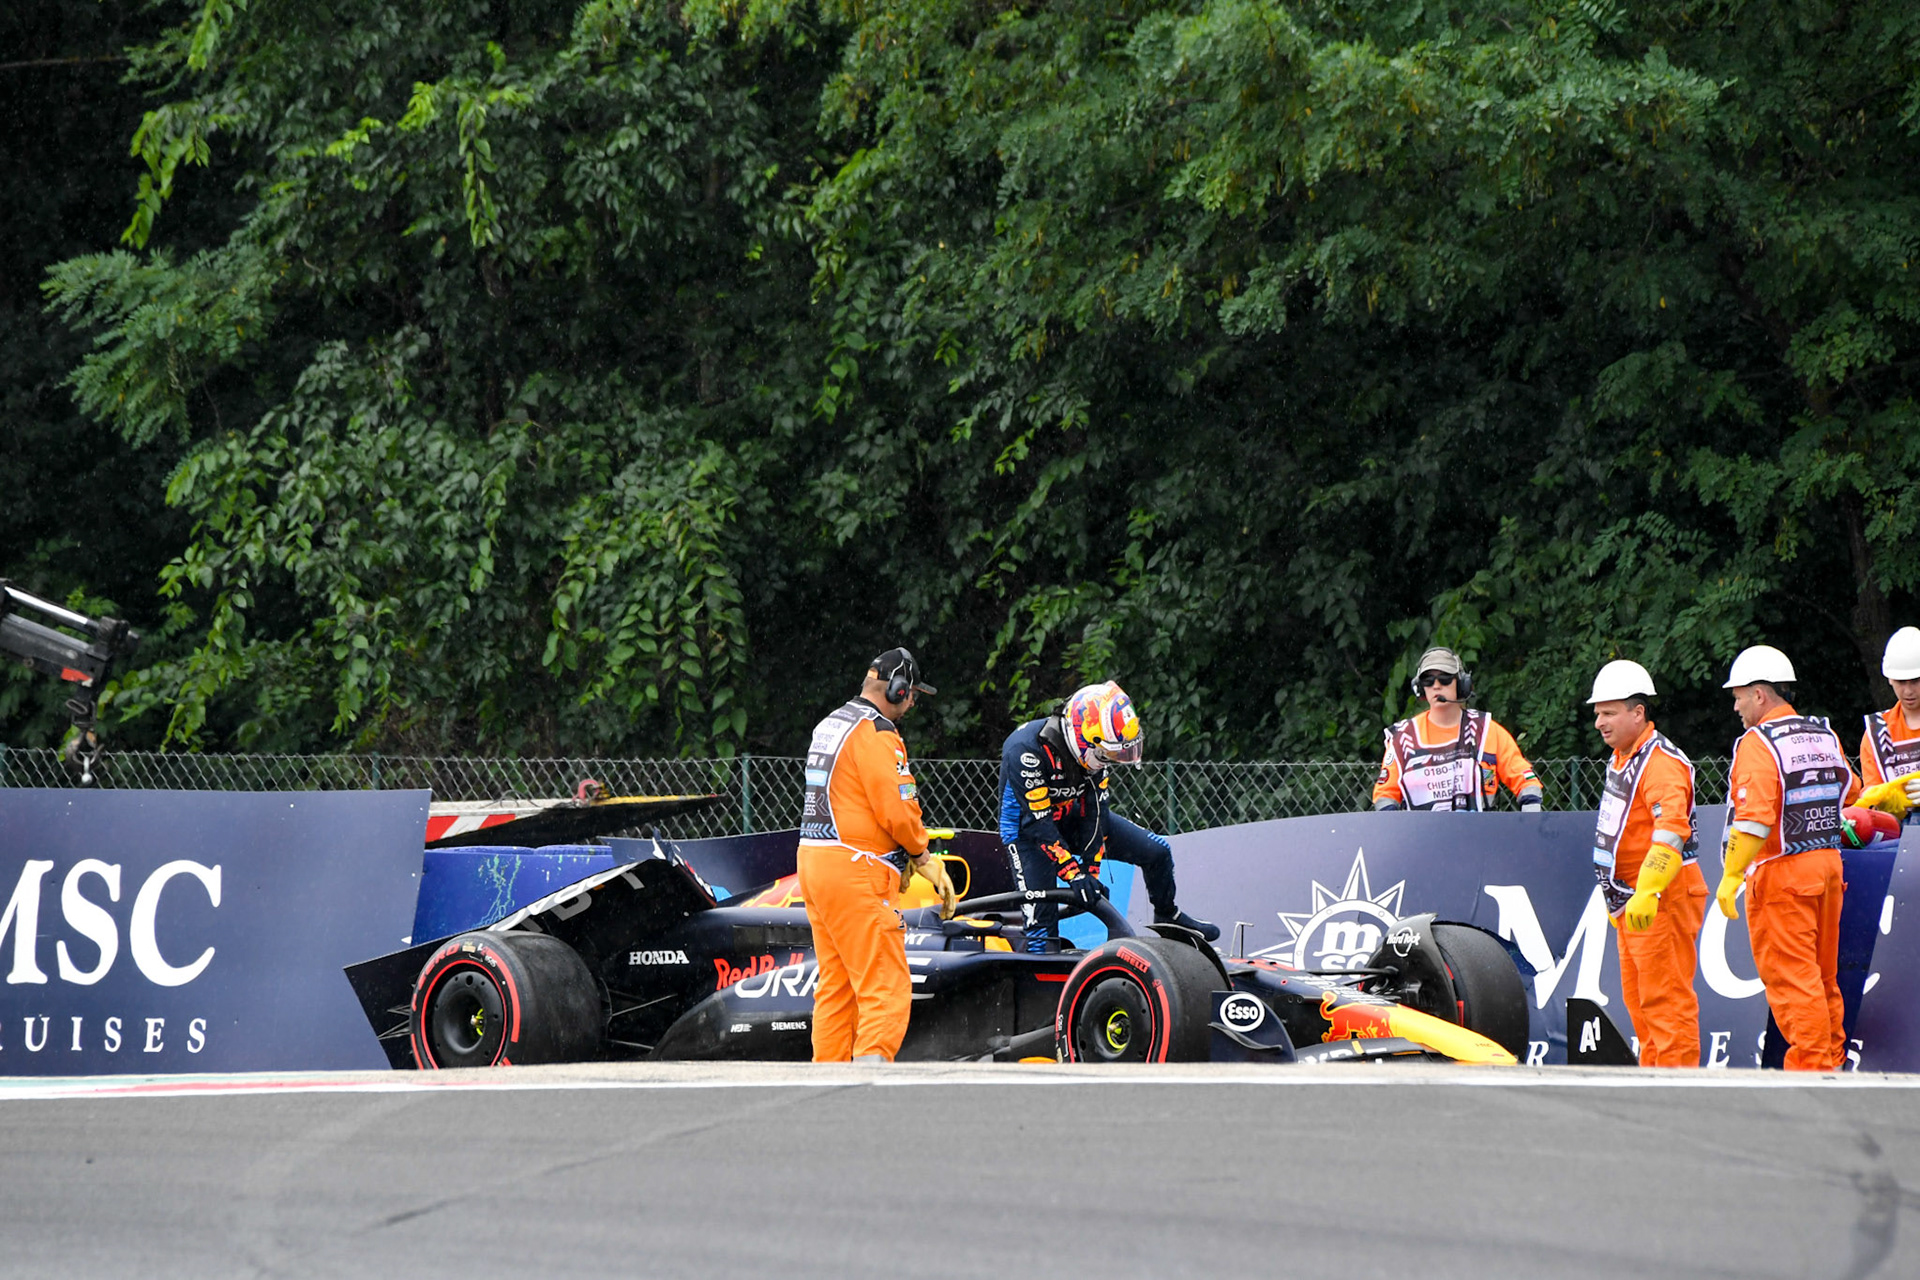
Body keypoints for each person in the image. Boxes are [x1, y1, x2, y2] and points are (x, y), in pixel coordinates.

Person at [796, 648, 956, 1064]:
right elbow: (895, 806)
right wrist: (922, 855)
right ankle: (868, 1087)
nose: (914, 703)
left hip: (815, 863)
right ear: (898, 688)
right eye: (913, 693)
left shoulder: (831, 723)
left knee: (837, 986)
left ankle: (825, 1085)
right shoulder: (877, 731)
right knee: (885, 986)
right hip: (856, 870)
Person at [1716, 644, 1860, 1072]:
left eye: (1739, 696)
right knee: (1822, 978)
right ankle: (1830, 1065)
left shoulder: (1758, 742)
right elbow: (1850, 793)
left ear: (1760, 694)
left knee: (1794, 981)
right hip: (1828, 865)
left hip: (1781, 875)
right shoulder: (1822, 734)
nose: (1737, 707)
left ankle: (1812, 1076)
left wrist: (1731, 875)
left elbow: (1756, 821)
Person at [998, 680, 1218, 951]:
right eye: (1107, 754)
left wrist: (1091, 869)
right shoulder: (1026, 751)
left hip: (1071, 817)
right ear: (1083, 739)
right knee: (1042, 937)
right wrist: (1074, 875)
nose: (1110, 760)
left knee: (1158, 852)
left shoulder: (1094, 750)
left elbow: (1096, 812)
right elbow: (1038, 824)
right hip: (1027, 832)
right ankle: (1037, 977)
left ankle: (1167, 916)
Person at [1587, 660, 1707, 1067]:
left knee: (1666, 1002)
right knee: (1640, 1002)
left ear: (1638, 713)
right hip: (1633, 898)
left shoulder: (1660, 762)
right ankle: (1655, 1083)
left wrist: (1648, 890)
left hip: (1661, 896)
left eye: (1609, 712)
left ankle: (1678, 1096)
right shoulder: (1624, 757)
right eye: (1597, 713)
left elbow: (1671, 831)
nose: (1600, 722)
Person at [1372, 646, 1543, 811]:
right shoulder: (1402, 738)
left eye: (1445, 678)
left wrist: (1532, 817)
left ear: (1462, 684)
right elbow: (1385, 796)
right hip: (1420, 839)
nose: (1436, 686)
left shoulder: (1486, 731)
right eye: (1428, 680)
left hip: (1479, 837)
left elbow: (1525, 780)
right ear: (1420, 688)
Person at [1859, 628, 1920, 808]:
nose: (1908, 691)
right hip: (1900, 833)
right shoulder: (1877, 733)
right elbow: (1872, 795)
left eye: (1916, 680)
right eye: (1901, 682)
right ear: (1890, 679)